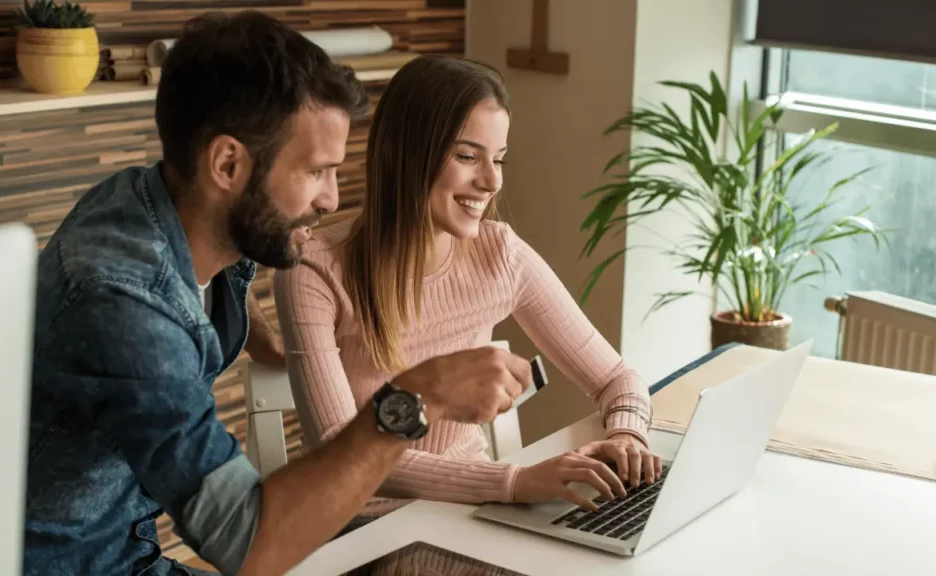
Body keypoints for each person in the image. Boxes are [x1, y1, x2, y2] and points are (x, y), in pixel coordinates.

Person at [23, 13, 531, 576]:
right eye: (316, 172)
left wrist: (257, 333)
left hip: (123, 551)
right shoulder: (126, 302)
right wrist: (414, 397)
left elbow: (197, 287)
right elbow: (247, 541)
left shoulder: (153, 205)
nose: (331, 201)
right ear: (228, 164)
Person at [273, 54, 662, 529]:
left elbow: (616, 378)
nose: (492, 181)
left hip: (476, 516)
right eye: (466, 156)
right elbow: (341, 450)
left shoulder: (499, 254)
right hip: (361, 531)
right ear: (408, 153)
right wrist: (513, 483)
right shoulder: (315, 270)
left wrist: (628, 435)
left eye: (498, 159)